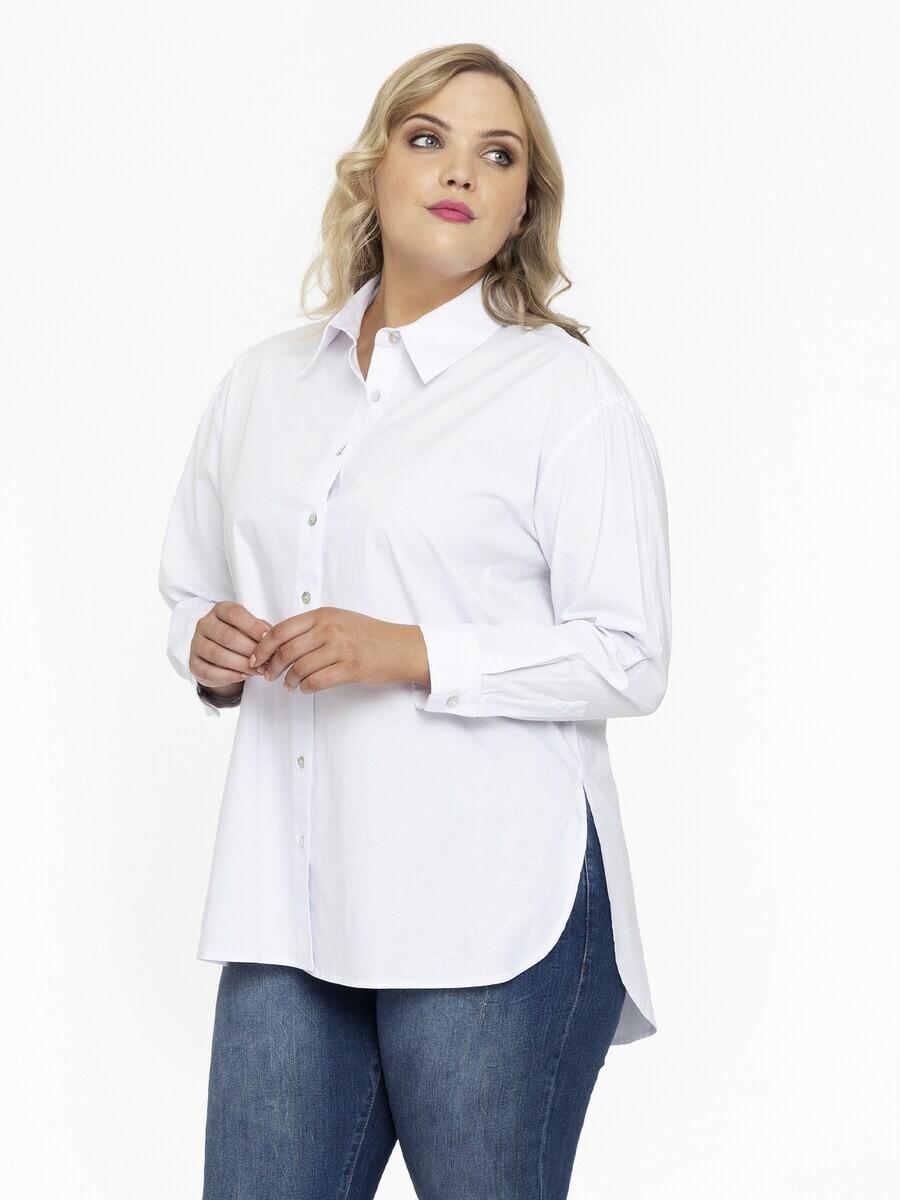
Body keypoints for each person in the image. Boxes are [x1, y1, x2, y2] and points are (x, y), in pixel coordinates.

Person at [158, 42, 672, 1200]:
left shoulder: (565, 396)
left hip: (492, 904)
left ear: (523, 205)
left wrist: (411, 651)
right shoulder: (264, 385)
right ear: (373, 167)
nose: (460, 171)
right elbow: (190, 584)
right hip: (290, 899)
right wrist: (208, 648)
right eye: (428, 137)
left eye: (500, 155)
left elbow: (631, 654)